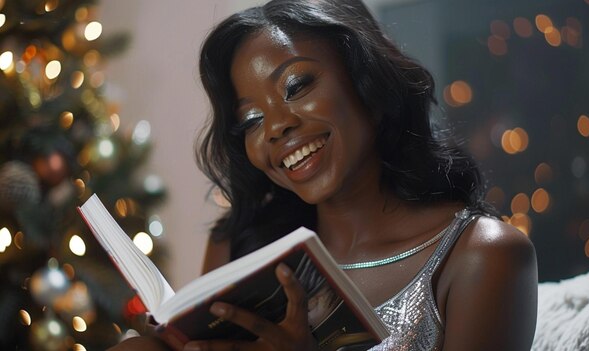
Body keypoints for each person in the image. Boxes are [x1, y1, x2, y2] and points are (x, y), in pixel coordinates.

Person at [111, 0, 538, 350]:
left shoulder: (482, 257)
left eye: (296, 87)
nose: (276, 127)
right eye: (251, 119)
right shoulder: (238, 246)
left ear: (367, 81)